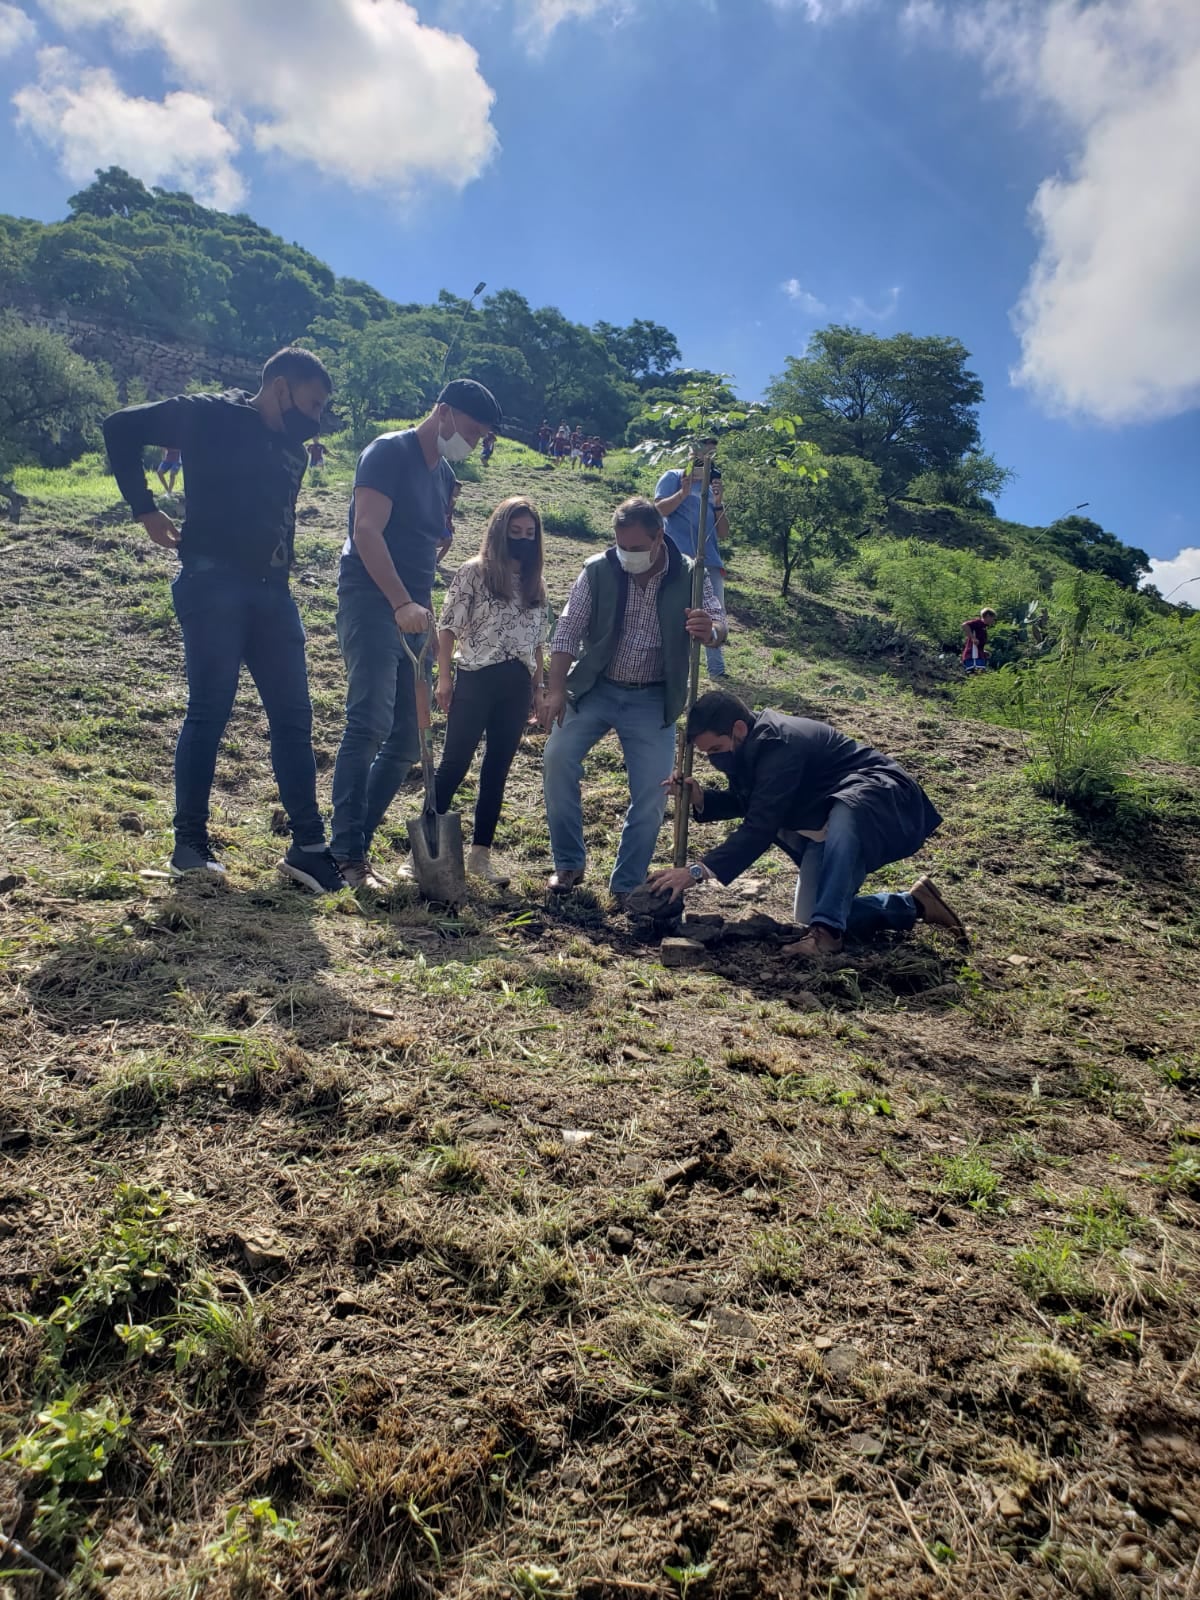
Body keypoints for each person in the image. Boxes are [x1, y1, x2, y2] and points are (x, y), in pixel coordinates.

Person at [101, 347, 346, 892]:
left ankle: (308, 848)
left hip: (274, 594)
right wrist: (144, 507)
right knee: (210, 710)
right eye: (311, 403)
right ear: (280, 387)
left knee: (294, 717)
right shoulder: (210, 414)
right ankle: (189, 845)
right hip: (212, 582)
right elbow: (119, 427)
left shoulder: (296, 451)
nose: (315, 418)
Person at [329, 378, 502, 890]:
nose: (473, 445)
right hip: (373, 600)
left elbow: (431, 538)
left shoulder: (444, 475)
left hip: (416, 616)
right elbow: (365, 531)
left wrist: (436, 546)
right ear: (443, 413)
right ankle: (343, 853)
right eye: (472, 432)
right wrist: (400, 599)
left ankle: (353, 842)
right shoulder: (389, 452)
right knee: (369, 723)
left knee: (406, 738)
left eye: (483, 439)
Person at [647, 690, 965, 955]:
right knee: (809, 914)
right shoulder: (751, 746)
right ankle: (913, 905)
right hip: (824, 818)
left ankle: (826, 936)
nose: (715, 758)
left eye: (716, 749)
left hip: (879, 795)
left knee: (848, 809)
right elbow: (751, 801)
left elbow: (761, 824)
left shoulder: (779, 744)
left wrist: (695, 872)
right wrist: (701, 798)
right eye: (707, 754)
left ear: (739, 729)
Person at [540, 497, 727, 904]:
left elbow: (719, 624)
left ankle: (626, 884)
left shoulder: (691, 576)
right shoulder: (598, 570)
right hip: (596, 687)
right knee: (557, 757)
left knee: (653, 792)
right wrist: (555, 689)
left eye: (637, 549)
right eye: (621, 546)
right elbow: (567, 631)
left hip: (653, 698)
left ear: (660, 537)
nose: (628, 556)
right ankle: (568, 863)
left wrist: (708, 630)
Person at [434, 497, 548, 885]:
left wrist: (538, 686)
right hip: (476, 677)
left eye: (529, 533)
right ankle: (426, 852)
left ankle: (480, 856)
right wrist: (444, 676)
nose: (522, 539)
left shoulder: (535, 582)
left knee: (497, 770)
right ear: (499, 531)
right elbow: (447, 627)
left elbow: (536, 640)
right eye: (515, 532)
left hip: (516, 685)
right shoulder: (473, 573)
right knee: (454, 764)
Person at [655, 440, 732, 680]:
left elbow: (723, 532)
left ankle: (717, 671)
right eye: (700, 451)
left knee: (715, 615)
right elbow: (658, 510)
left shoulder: (712, 487)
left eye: (710, 453)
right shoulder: (674, 477)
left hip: (710, 561)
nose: (705, 457)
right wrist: (683, 493)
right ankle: (673, 669)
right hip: (679, 560)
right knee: (676, 612)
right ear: (690, 453)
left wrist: (718, 504)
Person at [437, 477, 462, 569]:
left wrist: (450, 526)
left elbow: (449, 516)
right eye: (458, 489)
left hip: (444, 524)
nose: (459, 491)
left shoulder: (452, 501)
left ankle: (437, 561)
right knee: (447, 540)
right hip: (438, 523)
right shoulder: (443, 498)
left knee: (448, 541)